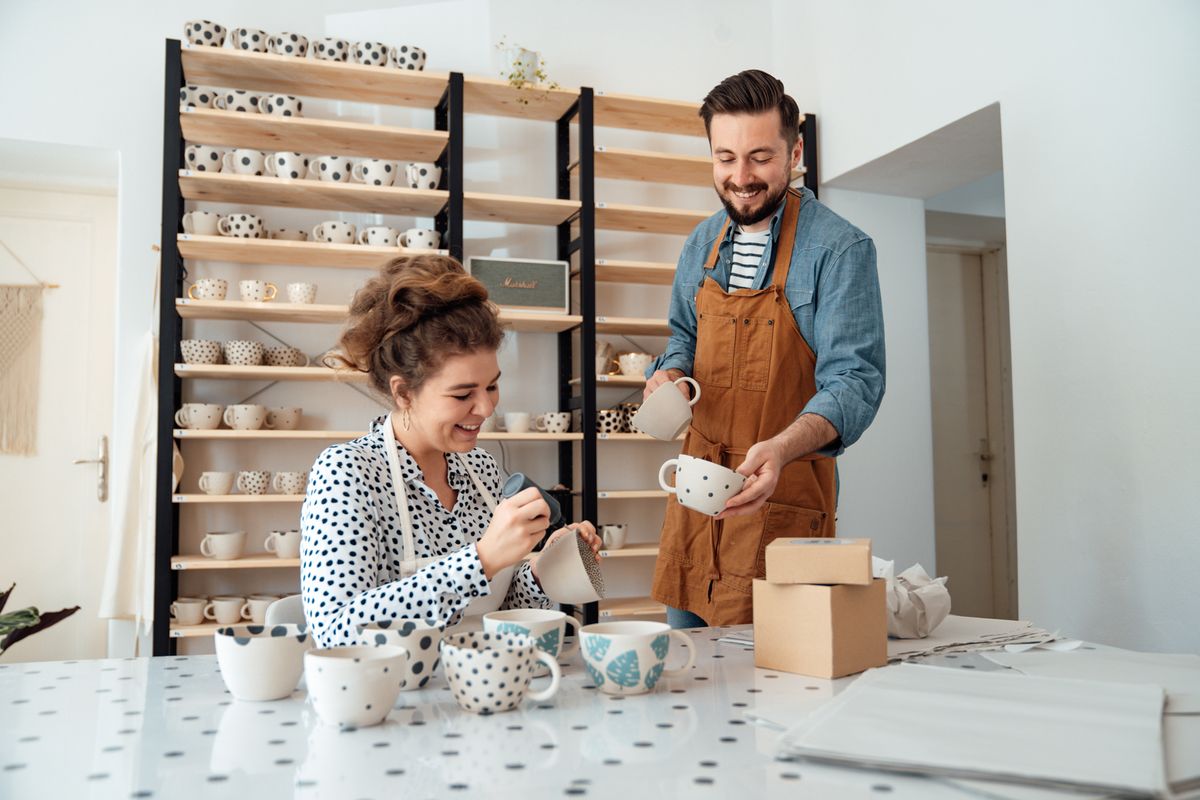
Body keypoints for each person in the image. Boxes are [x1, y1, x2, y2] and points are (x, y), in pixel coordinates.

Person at [644, 70, 885, 629]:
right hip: (697, 500)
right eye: (725, 158)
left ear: (794, 150)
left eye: (759, 157)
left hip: (784, 501)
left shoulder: (841, 250)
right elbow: (682, 338)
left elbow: (856, 381)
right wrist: (671, 375)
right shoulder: (700, 243)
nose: (741, 177)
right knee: (690, 688)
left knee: (776, 699)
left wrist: (778, 449)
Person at [300, 254, 600, 647]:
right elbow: (335, 632)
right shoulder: (348, 473)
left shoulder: (480, 468)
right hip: (401, 699)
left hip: (487, 688)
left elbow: (499, 613)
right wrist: (482, 559)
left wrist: (542, 570)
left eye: (491, 386)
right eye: (463, 394)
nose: (487, 408)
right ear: (403, 392)